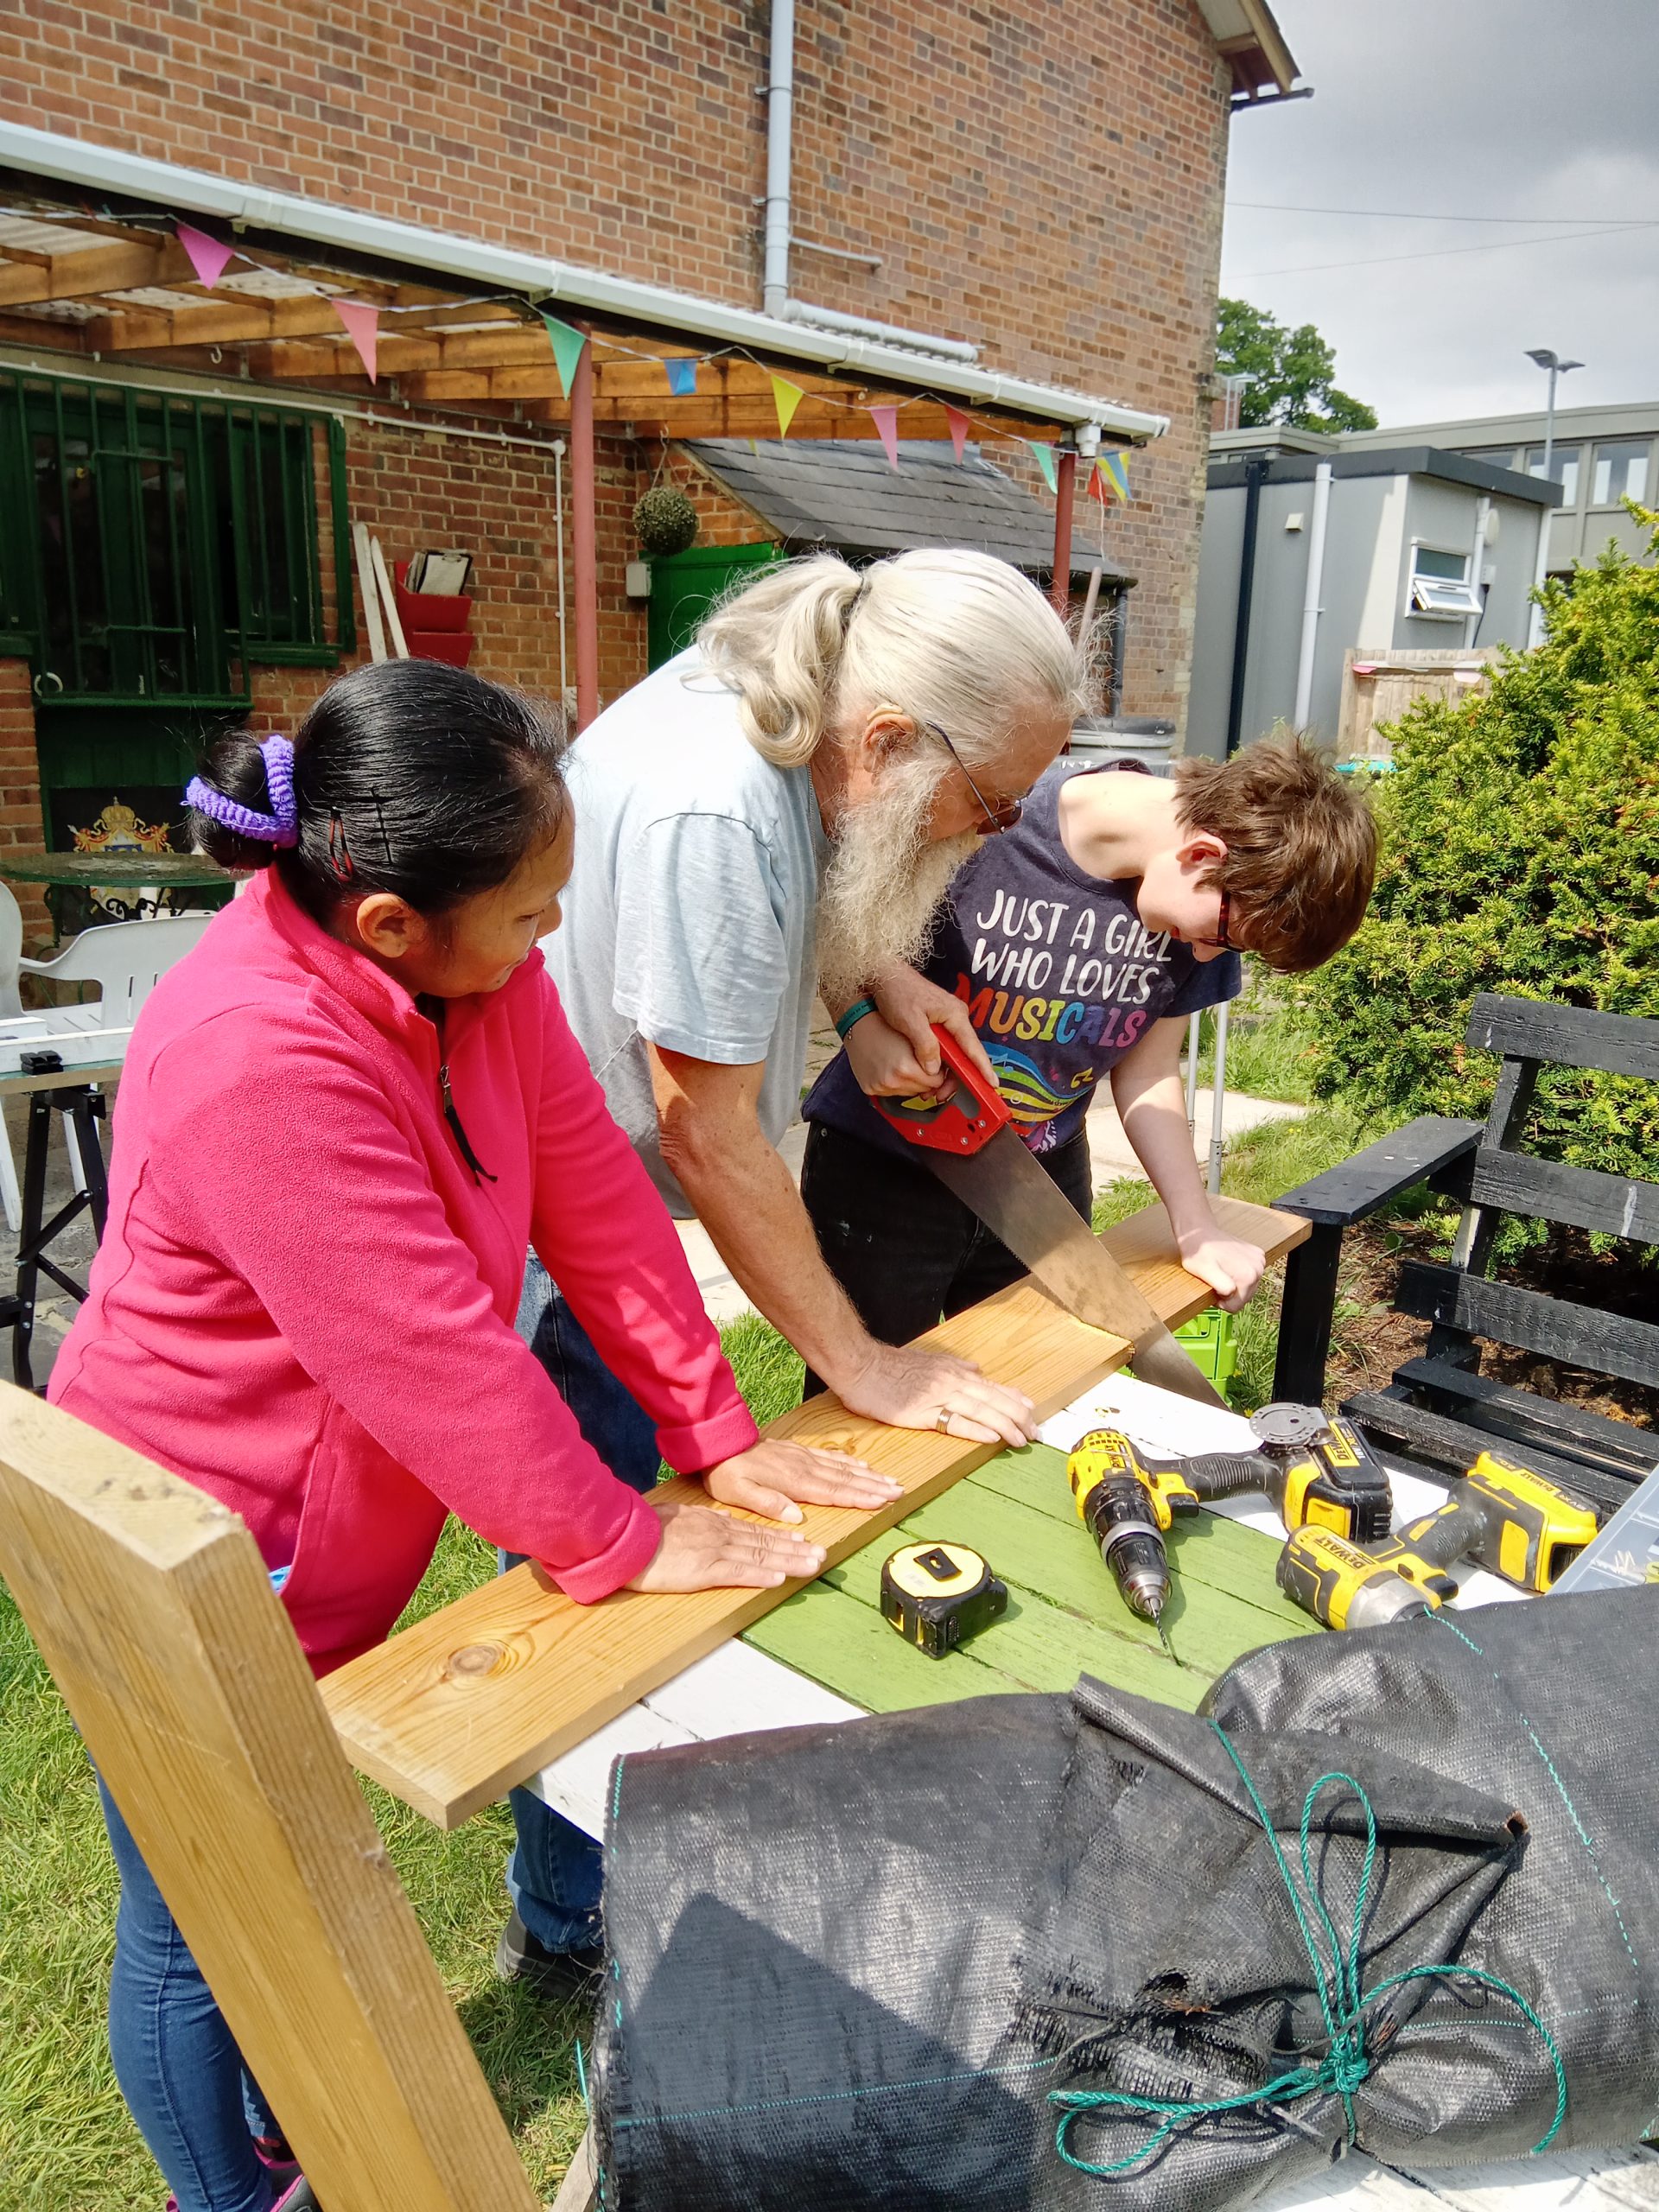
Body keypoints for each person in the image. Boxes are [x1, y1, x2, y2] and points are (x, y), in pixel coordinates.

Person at [48, 661, 887, 2212]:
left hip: (315, 1524)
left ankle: (288, 2125)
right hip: (185, 1531)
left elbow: (599, 1200)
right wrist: (618, 1534)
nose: (552, 934)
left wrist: (715, 1430)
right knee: (200, 1914)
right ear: (390, 923)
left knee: (295, 1866)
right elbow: (426, 1350)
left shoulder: (479, 987)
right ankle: (224, 2200)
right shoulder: (256, 1049)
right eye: (532, 909)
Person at [504, 546, 1083, 1987]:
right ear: (887, 740)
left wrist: (872, 978)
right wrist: (863, 1363)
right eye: (992, 802)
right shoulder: (717, 803)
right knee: (598, 1580)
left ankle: (614, 1874)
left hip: (601, 1207)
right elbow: (706, 1134)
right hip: (566, 1241)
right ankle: (573, 1922)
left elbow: (822, 859)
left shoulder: (796, 682)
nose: (996, 833)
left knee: (664, 1546)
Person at [800, 734, 1378, 1346]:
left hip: (1039, 1182)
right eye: (1224, 938)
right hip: (883, 1175)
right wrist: (857, 1022)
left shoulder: (1227, 894)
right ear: (1202, 854)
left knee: (1036, 1376)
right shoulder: (987, 812)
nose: (1210, 956)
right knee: (871, 1395)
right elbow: (834, 906)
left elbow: (1149, 1071)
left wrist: (1196, 1228)